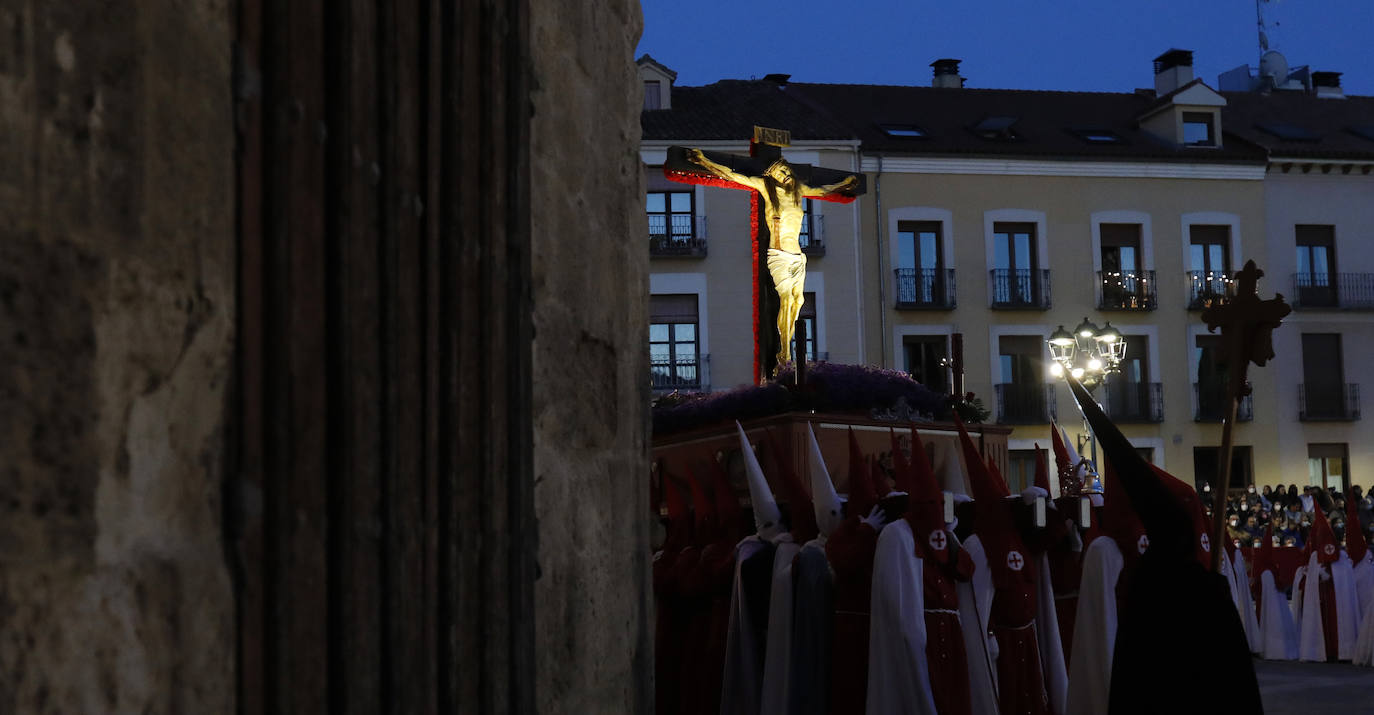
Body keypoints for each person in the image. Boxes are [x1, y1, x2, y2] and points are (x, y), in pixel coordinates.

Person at [684, 148, 858, 366]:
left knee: (798, 301)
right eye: (778, 172)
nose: (783, 174)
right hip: (779, 255)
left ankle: (789, 346)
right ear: (771, 176)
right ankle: (784, 353)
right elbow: (733, 175)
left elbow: (823, 190)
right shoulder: (765, 188)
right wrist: (704, 161)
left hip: (797, 256)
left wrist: (846, 183)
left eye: (784, 170)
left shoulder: (799, 191)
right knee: (786, 300)